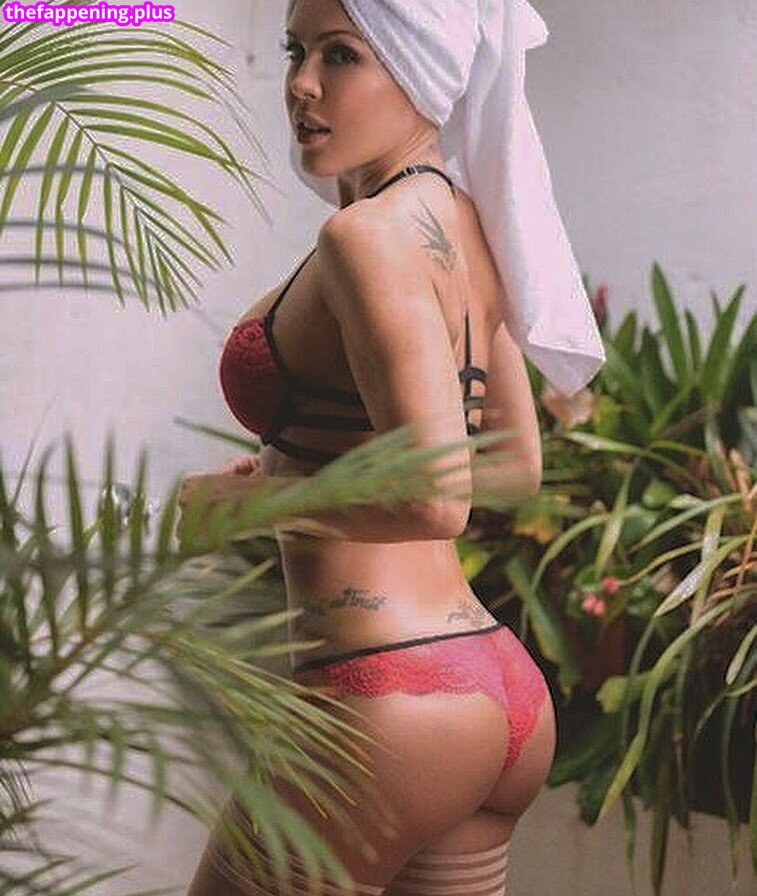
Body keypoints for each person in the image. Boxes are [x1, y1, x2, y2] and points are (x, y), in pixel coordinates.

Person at [184, 0, 604, 892]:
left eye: (341, 55)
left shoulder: (363, 238)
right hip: (492, 684)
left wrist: (246, 504)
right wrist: (293, 470)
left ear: (421, 71)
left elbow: (435, 501)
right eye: (295, 51)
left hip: (385, 691)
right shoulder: (468, 226)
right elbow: (513, 468)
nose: (302, 85)